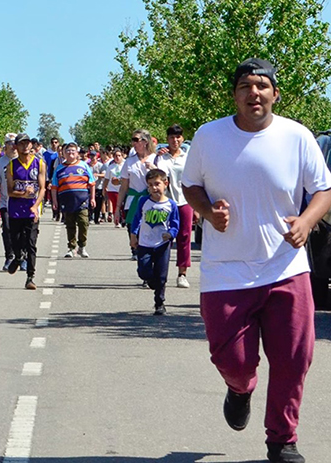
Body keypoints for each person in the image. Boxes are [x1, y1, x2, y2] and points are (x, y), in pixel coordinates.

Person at [182, 58, 331, 463]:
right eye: (246, 86)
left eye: (262, 86)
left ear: (275, 94)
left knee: (295, 357)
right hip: (227, 269)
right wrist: (209, 213)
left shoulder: (297, 136)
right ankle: (239, 388)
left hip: (286, 266)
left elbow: (323, 190)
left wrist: (306, 221)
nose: (254, 93)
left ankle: (282, 440)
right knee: (232, 359)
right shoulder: (209, 137)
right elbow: (191, 184)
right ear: (235, 95)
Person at [130, 169, 179, 315]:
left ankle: (159, 303)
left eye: (157, 184)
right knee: (144, 270)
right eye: (150, 185)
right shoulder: (143, 201)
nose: (154, 188)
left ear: (165, 184)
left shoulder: (171, 205)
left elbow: (175, 224)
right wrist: (134, 235)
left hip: (162, 245)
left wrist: (170, 234)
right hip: (145, 243)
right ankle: (151, 281)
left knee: (162, 275)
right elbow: (137, 219)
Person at [158, 124, 196, 288]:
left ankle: (182, 273)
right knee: (162, 236)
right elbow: (157, 177)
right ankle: (158, 271)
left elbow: (195, 179)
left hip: (184, 201)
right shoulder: (161, 157)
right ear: (167, 139)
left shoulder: (188, 157)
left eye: (178, 137)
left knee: (185, 237)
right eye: (172, 137)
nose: (175, 140)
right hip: (166, 202)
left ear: (182, 139)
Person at [6, 133, 46, 290]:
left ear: (31, 146)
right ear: (16, 146)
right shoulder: (11, 165)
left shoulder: (39, 164)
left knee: (31, 243)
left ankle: (30, 276)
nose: (25, 146)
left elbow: (42, 189)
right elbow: (9, 191)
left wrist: (35, 206)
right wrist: (22, 193)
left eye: (27, 143)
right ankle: (17, 257)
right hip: (16, 209)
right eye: (21, 144)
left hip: (32, 210)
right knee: (15, 240)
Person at [116, 129, 160, 260]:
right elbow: (123, 186)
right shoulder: (129, 162)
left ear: (145, 142)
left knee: (150, 236)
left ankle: (149, 266)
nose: (133, 143)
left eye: (136, 140)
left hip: (152, 202)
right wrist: (117, 208)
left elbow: (164, 180)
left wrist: (154, 169)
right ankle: (138, 257)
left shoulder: (156, 159)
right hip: (133, 202)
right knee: (134, 234)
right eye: (132, 140)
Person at [51, 141, 96, 258]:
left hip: (82, 201)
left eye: (73, 151)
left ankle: (82, 246)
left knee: (83, 222)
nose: (70, 153)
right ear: (63, 154)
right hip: (66, 201)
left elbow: (91, 184)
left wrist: (92, 198)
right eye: (68, 151)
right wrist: (55, 202)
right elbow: (54, 187)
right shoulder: (59, 169)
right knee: (70, 224)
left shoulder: (84, 165)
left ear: (77, 153)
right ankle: (71, 248)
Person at [0, 133, 18, 271]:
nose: (12, 147)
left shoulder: (25, 160)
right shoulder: (0, 163)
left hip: (22, 202)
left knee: (21, 231)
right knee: (7, 229)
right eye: (9, 144)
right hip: (5, 202)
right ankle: (9, 256)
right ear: (4, 146)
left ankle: (22, 256)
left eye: (14, 144)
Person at [104, 148, 125, 228]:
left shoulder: (125, 165)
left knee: (122, 205)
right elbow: (106, 179)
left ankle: (123, 218)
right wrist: (104, 188)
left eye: (119, 156)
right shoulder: (110, 166)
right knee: (116, 205)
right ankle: (117, 221)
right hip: (112, 189)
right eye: (116, 156)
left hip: (122, 188)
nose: (117, 157)